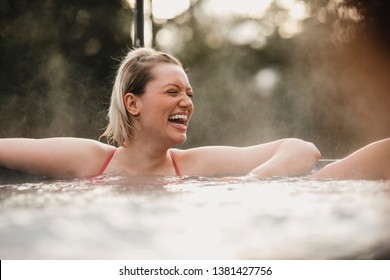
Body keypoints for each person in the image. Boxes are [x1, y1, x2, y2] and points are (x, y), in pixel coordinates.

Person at [0, 48, 388, 180]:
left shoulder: (193, 164)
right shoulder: (90, 160)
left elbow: (302, 149)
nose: (187, 101)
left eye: (189, 92)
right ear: (132, 103)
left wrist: (251, 183)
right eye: (172, 91)